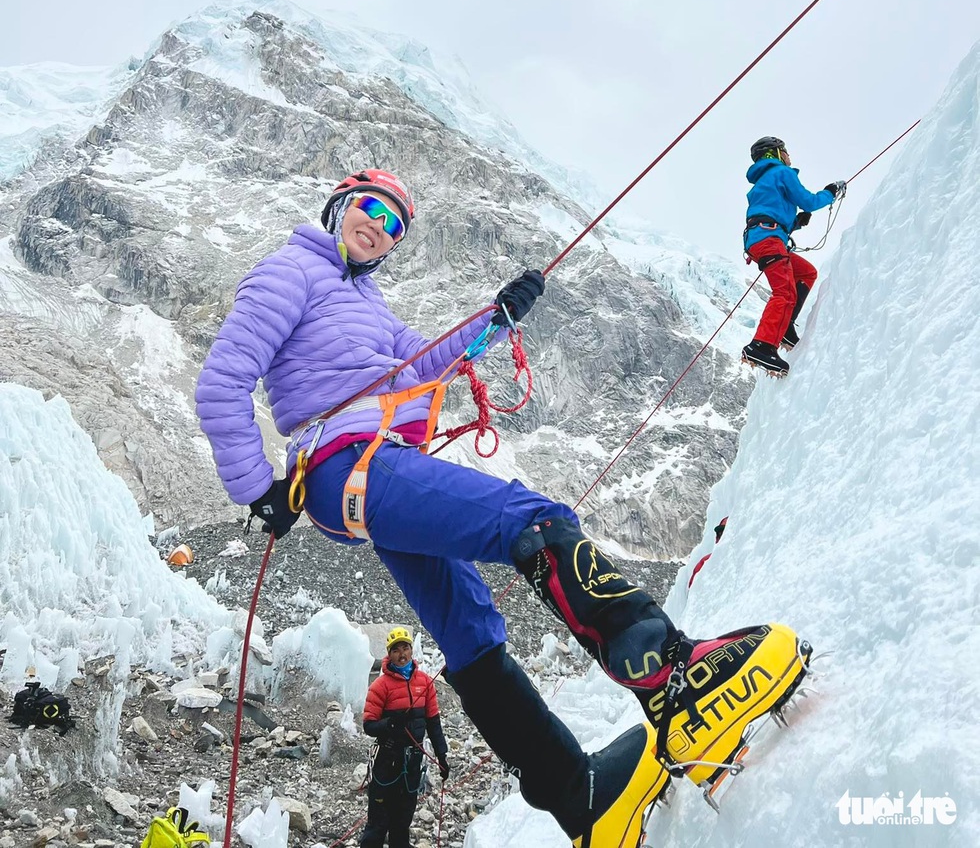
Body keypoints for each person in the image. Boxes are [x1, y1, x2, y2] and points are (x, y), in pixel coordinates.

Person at [196, 167, 812, 847]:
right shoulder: (291, 272)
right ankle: (679, 688)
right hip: (350, 463)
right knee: (531, 518)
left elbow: (426, 363)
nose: (380, 228)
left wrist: (497, 318)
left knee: (472, 632)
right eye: (371, 208)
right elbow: (222, 380)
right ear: (340, 205)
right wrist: (257, 488)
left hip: (375, 471)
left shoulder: (366, 302)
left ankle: (580, 799)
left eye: (395, 224)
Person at [741, 136, 846, 377]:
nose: (789, 156)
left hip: (762, 238)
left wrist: (794, 223)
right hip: (769, 239)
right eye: (785, 151)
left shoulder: (762, 182)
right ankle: (762, 346)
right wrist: (830, 192)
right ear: (775, 154)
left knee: (806, 273)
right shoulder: (782, 173)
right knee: (785, 292)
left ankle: (785, 326)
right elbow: (807, 200)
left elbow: (767, 211)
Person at [360, 626, 449, 848]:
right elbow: (369, 725)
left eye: (405, 648)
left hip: (412, 762)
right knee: (378, 821)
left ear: (411, 651)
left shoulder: (425, 683)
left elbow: (433, 722)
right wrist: (389, 724)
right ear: (389, 654)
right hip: (387, 761)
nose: (402, 654)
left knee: (403, 819)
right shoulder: (380, 686)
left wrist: (442, 756)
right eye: (396, 650)